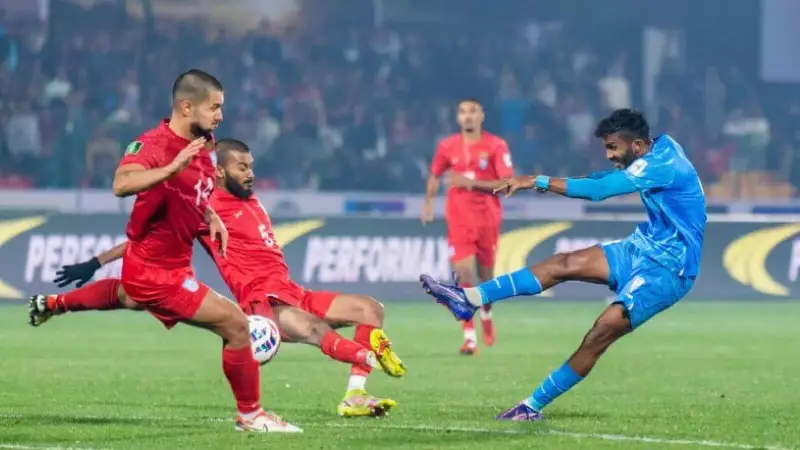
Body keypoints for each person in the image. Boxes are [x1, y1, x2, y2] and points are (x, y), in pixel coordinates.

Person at [33, 139, 407, 418]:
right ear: (221, 172)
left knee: (370, 309)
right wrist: (95, 261)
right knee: (313, 330)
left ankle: (355, 395)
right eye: (242, 167)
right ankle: (368, 356)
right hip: (263, 302)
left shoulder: (252, 199)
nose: (251, 173)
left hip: (293, 290)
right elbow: (143, 240)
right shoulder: (204, 203)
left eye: (251, 166)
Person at [28, 69, 301, 433]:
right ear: (187, 107)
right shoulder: (152, 145)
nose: (220, 115)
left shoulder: (205, 143)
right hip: (157, 274)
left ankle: (52, 304)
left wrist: (211, 217)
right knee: (237, 325)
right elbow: (121, 184)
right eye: (214, 107)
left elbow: (196, 190)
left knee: (127, 296)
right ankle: (251, 416)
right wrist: (171, 168)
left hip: (165, 265)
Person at [420, 108, 706, 420]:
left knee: (601, 332)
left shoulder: (664, 164)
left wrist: (536, 181)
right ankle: (470, 299)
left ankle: (531, 406)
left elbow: (598, 191)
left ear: (637, 145)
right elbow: (601, 179)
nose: (609, 155)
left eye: (613, 147)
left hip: (669, 268)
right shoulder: (657, 147)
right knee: (563, 263)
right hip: (641, 247)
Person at [420, 98, 514, 355]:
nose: (468, 116)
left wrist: (471, 183)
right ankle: (469, 337)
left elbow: (507, 183)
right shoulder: (447, 146)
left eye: (473, 111)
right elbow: (435, 175)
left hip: (487, 218)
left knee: (486, 277)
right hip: (459, 219)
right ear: (458, 118)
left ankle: (487, 313)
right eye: (463, 112)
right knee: (463, 274)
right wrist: (428, 203)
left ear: (482, 116)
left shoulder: (496, 145)